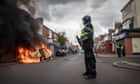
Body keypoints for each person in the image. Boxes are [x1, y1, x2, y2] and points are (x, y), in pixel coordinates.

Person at [79, 15, 97, 79]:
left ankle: (92, 74)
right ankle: (88, 72)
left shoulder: (89, 25)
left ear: (86, 20)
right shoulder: (87, 26)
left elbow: (89, 35)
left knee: (90, 59)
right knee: (87, 59)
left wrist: (81, 39)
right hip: (86, 45)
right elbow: (85, 35)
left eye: (83, 20)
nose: (82, 21)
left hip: (88, 45)